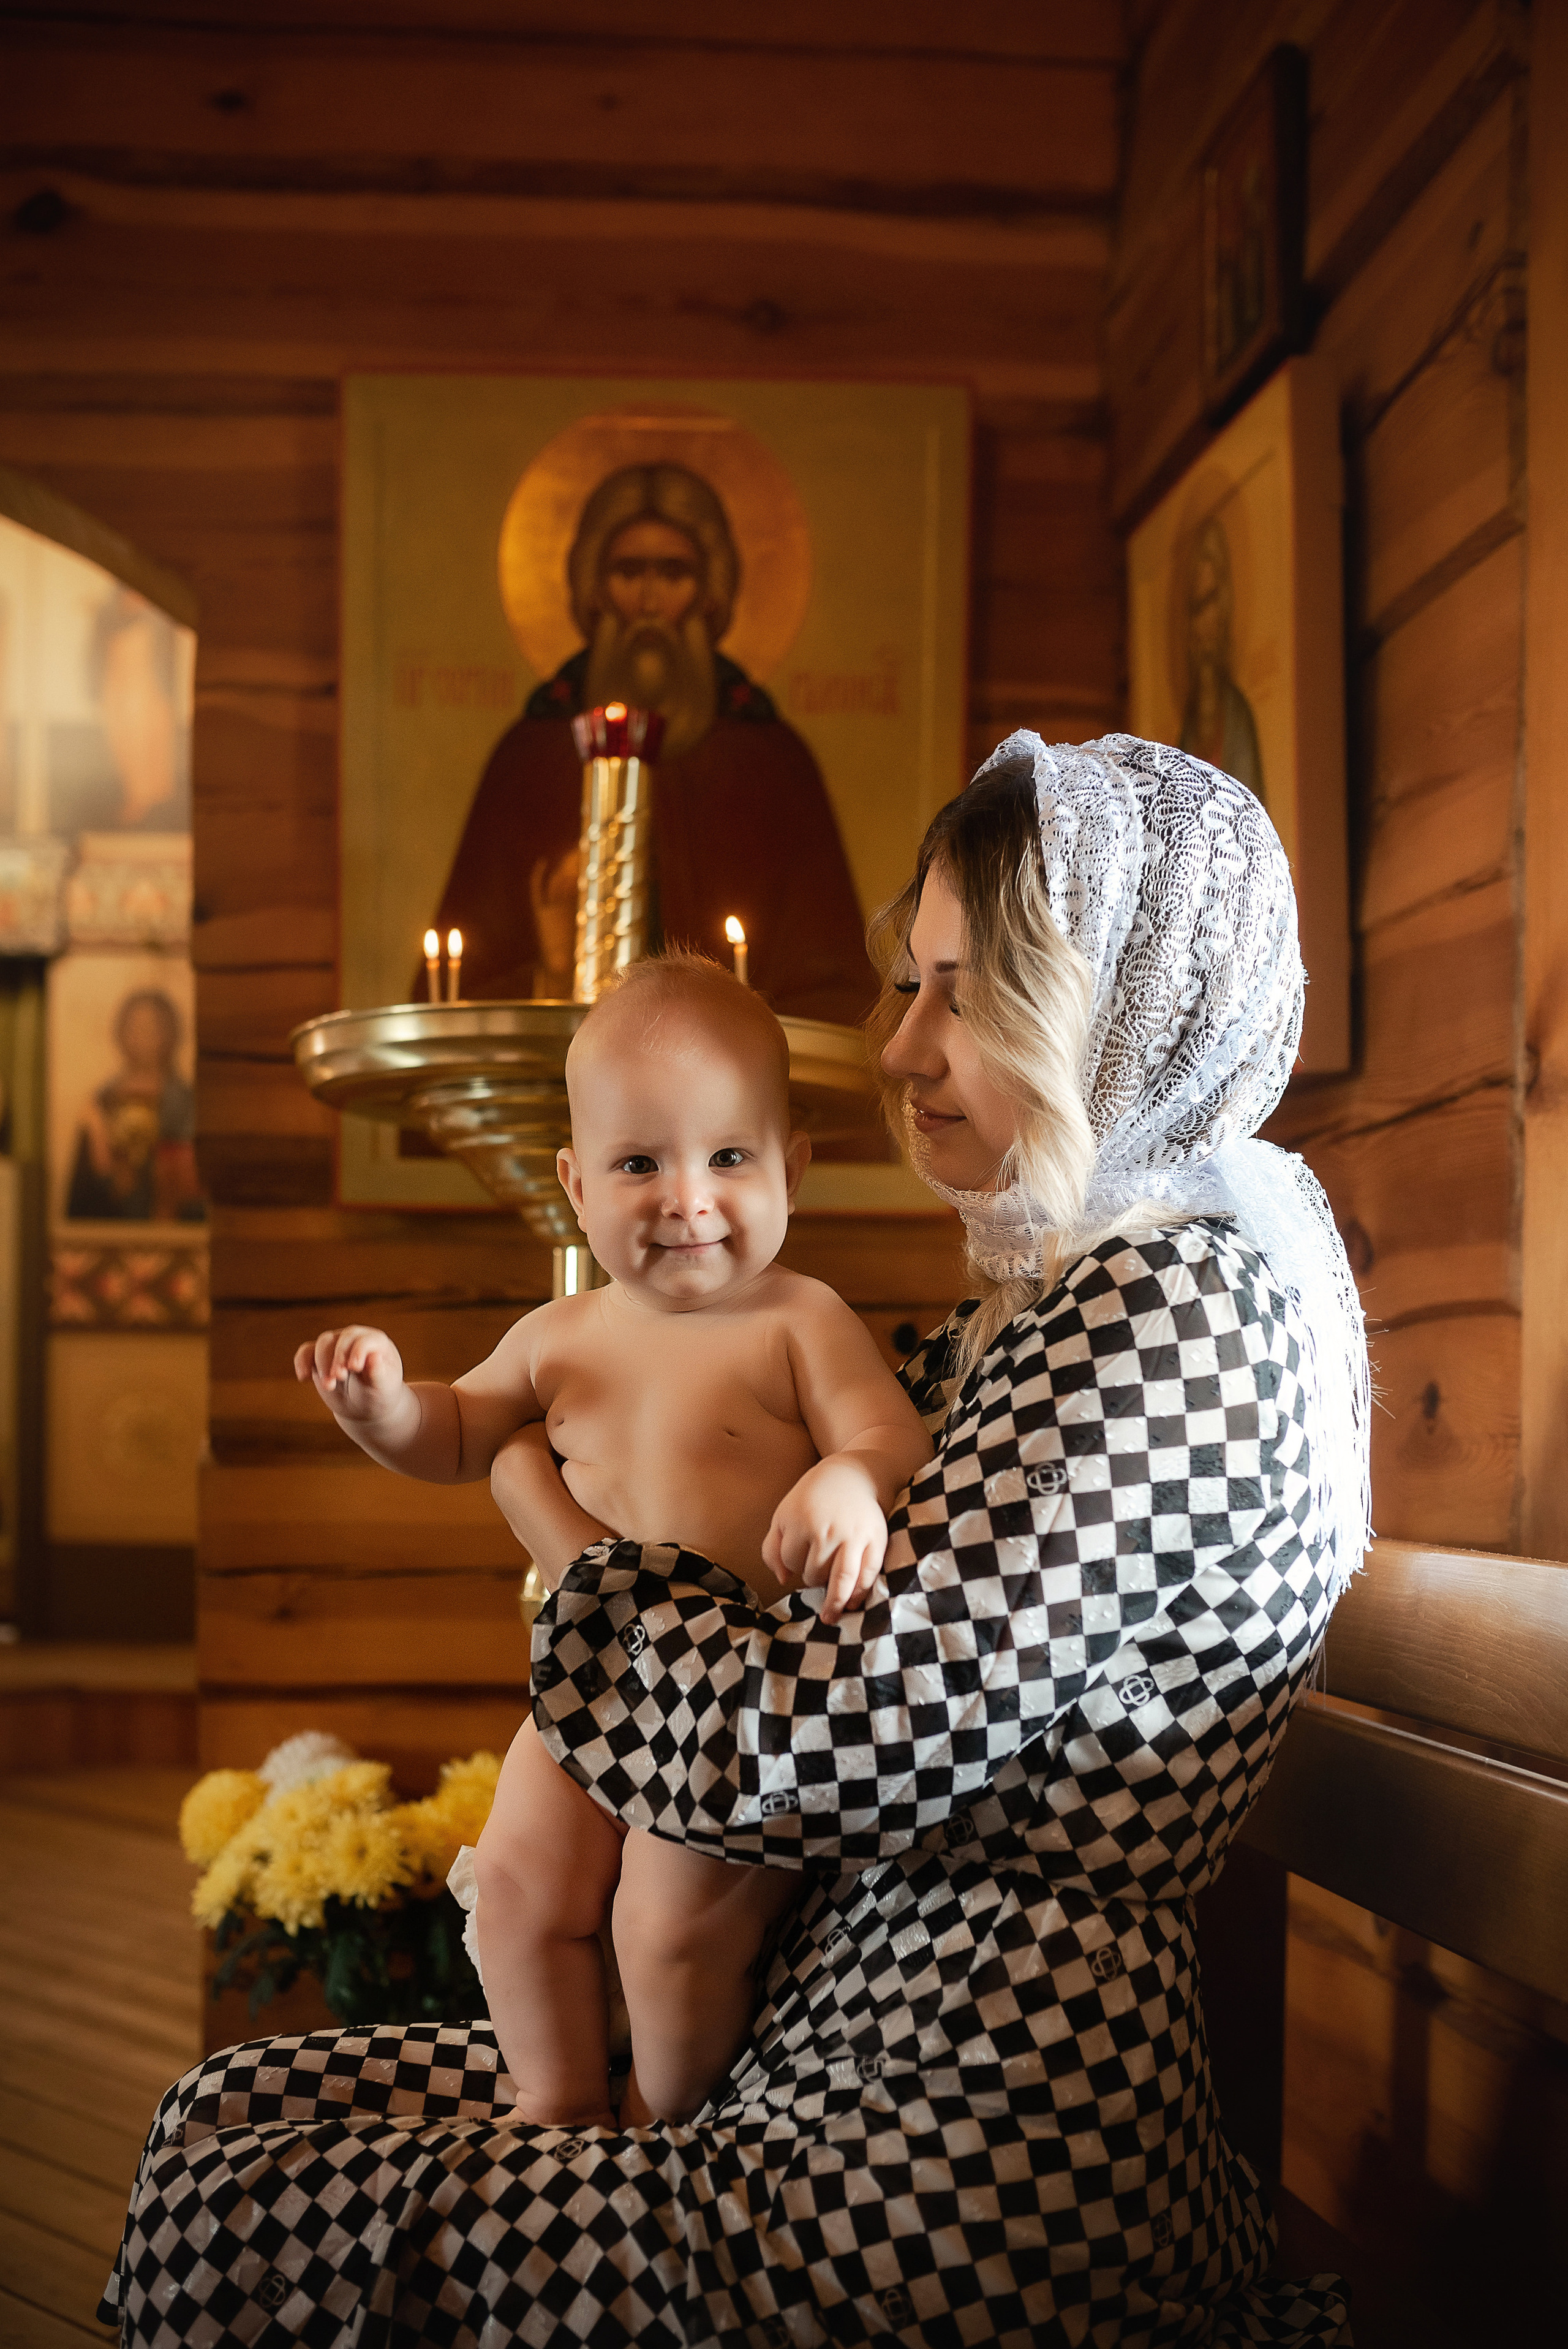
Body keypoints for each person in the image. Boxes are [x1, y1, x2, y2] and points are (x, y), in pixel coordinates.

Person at [103, 734, 1367, 2347]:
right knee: (230, 2116)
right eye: (906, 984)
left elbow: (826, 1738)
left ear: (1111, 1012)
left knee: (239, 2206)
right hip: (827, 2026)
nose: (898, 1044)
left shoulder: (1170, 1309)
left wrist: (547, 1516)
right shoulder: (1063, 1290)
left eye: (964, 995)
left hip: (961, 2130)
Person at [294, 956, 932, 2133]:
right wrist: (382, 1406)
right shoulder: (557, 1335)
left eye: (728, 1156)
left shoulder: (799, 1318)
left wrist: (849, 1478)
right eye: (640, 1163)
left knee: (664, 1922)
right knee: (517, 1884)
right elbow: (457, 1431)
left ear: (793, 1168)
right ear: (575, 1185)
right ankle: (557, 2092)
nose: (687, 1197)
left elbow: (891, 1433)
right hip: (590, 1685)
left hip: (732, 1708)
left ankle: (660, 2113)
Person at [423, 461, 873, 1021]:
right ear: (594, 588)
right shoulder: (530, 759)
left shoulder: (772, 764)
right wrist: (554, 971)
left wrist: (734, 1020)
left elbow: (840, 991)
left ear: (710, 593)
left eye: (674, 574)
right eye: (628, 572)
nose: (649, 602)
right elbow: (448, 1001)